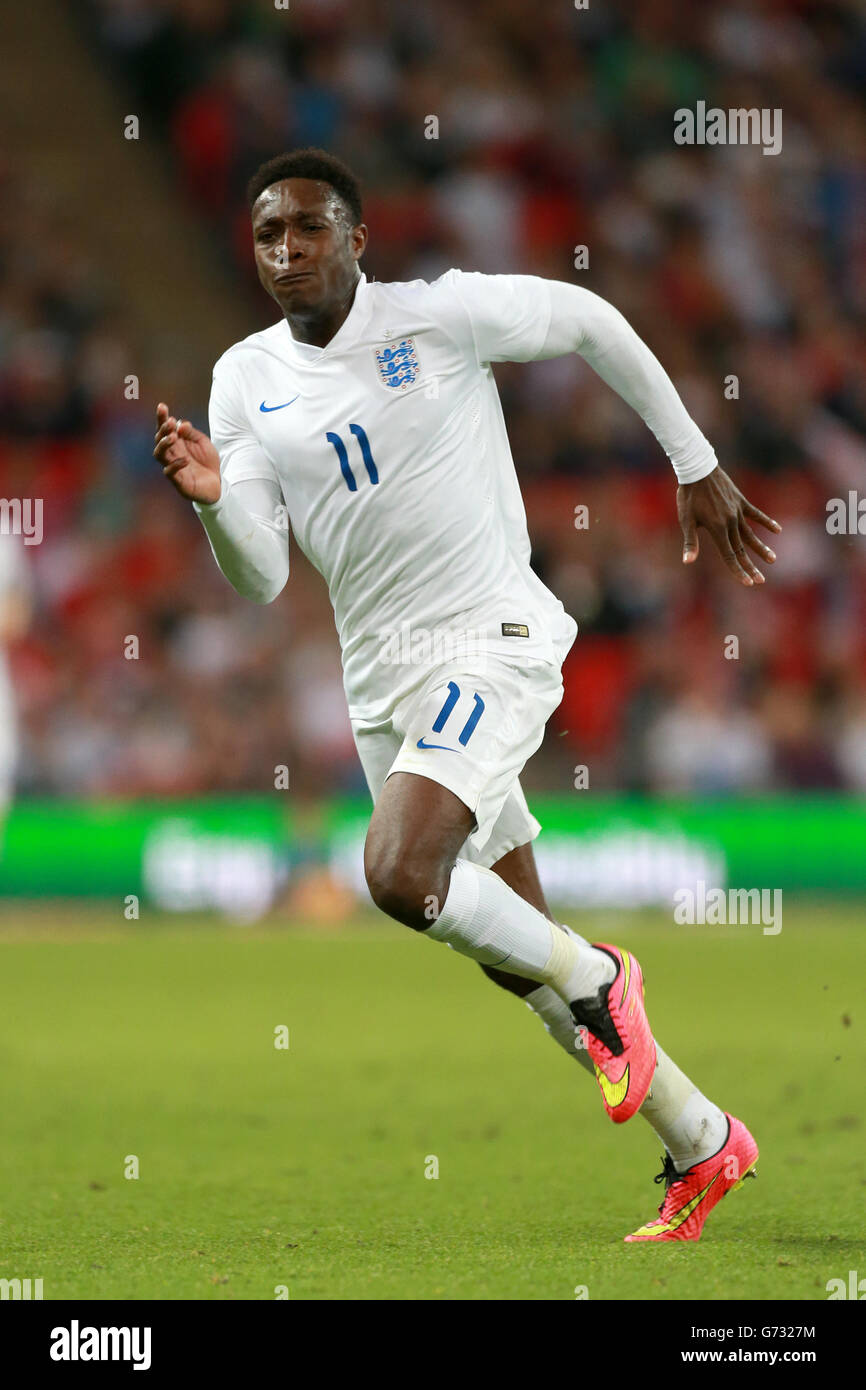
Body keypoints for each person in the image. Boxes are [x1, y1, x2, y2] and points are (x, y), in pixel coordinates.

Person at [154, 148, 780, 1242]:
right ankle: (700, 1137)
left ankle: (605, 973)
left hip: (488, 639)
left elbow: (586, 319)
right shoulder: (240, 378)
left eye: (308, 229)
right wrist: (213, 501)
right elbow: (259, 574)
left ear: (356, 237)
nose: (287, 251)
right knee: (512, 956)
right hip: (381, 679)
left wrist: (690, 458)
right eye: (267, 235)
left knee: (400, 872)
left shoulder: (437, 318)